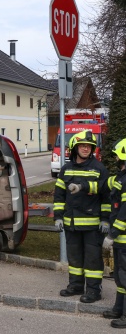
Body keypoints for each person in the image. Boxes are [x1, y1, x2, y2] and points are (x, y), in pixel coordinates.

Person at [53, 130, 110, 303]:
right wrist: (58, 217)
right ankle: (76, 285)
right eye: (83, 146)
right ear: (75, 147)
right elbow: (59, 195)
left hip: (92, 225)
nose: (86, 149)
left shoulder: (99, 168)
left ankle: (94, 291)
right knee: (75, 257)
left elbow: (106, 196)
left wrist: (106, 220)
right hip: (71, 224)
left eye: (89, 146)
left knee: (92, 259)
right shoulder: (66, 169)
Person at [101, 138, 126, 328]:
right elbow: (106, 184)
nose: (115, 158)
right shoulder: (121, 177)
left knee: (125, 276)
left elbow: (125, 211)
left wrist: (112, 233)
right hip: (121, 240)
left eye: (117, 155)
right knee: (119, 276)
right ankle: (118, 308)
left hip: (123, 238)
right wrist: (83, 186)